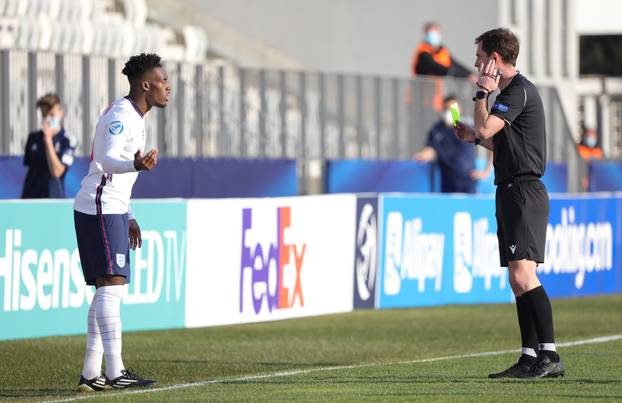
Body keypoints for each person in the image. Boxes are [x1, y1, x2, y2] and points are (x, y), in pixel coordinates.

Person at [455, 28, 565, 378]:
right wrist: (473, 138)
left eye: (480, 59)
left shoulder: (516, 91)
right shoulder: (512, 94)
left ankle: (549, 355)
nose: (477, 65)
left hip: (523, 191)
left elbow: (487, 128)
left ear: (495, 60)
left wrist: (480, 95)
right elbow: (497, 141)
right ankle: (529, 356)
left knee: (523, 274)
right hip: (512, 189)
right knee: (517, 279)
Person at [73, 53, 170, 391]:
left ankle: (91, 372)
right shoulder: (121, 115)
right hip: (101, 205)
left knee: (106, 289)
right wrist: (136, 165)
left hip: (111, 207)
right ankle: (115, 372)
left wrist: (128, 214)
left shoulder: (134, 115)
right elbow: (106, 159)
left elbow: (114, 167)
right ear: (146, 85)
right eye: (162, 80)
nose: (167, 87)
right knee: (112, 288)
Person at [413, 96, 491, 193]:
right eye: (447, 109)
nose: (449, 111)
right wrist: (423, 155)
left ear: (458, 109)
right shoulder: (437, 129)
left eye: (452, 108)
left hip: (468, 181)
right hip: (447, 182)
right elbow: (431, 149)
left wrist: (486, 171)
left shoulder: (467, 126)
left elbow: (491, 142)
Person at [21, 93, 76, 198]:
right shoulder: (33, 138)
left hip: (54, 200)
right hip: (30, 199)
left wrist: (48, 140)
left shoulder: (67, 140)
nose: (47, 119)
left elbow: (57, 172)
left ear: (61, 113)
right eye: (44, 115)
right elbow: (29, 171)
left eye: (51, 114)